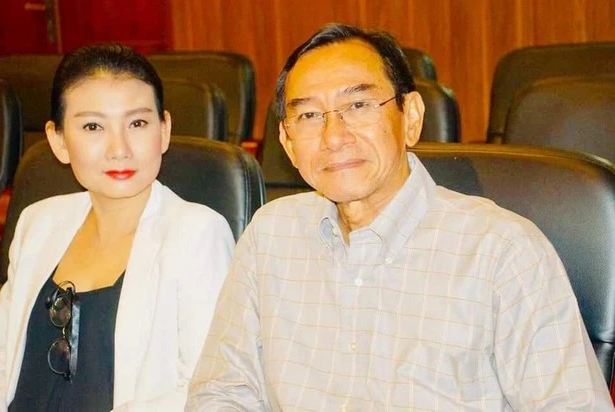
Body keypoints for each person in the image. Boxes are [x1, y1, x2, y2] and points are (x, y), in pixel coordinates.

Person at [186, 24, 613, 411]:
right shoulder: (270, 235)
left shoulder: (503, 251)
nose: (334, 136)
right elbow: (222, 393)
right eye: (310, 115)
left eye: (358, 105)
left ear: (411, 117)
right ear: (287, 141)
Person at [0, 44, 234, 411]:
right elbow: (1, 359)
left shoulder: (197, 234)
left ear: (164, 130)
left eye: (137, 124)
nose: (119, 149)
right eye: (93, 126)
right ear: (58, 140)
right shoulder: (37, 222)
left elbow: (210, 388)